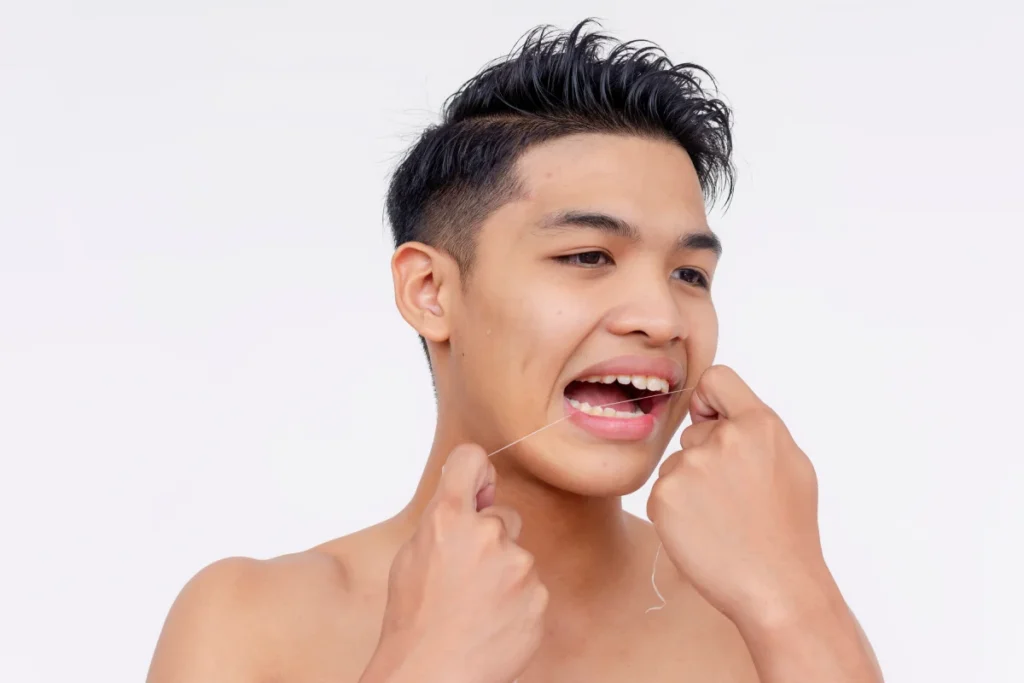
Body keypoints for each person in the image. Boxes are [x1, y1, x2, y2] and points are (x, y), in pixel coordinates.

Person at [147, 20, 883, 683]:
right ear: (430, 289)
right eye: (589, 256)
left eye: (690, 274)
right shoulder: (249, 627)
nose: (662, 317)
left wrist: (796, 599)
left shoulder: (763, 620)